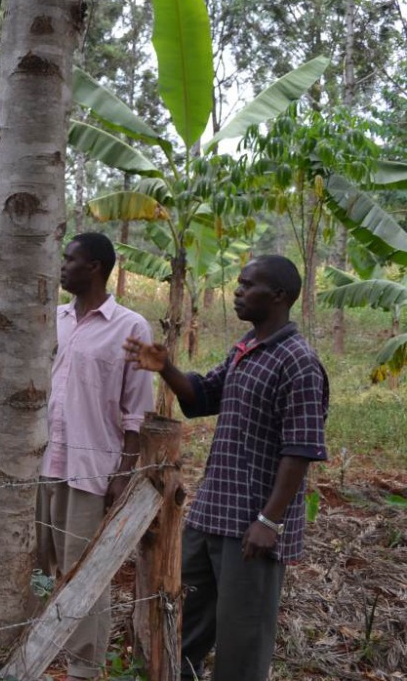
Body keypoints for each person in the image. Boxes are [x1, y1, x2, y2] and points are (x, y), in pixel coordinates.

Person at [124, 255, 329, 681]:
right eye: (237, 283)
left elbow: (301, 450)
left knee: (242, 640)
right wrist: (165, 368)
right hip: (212, 515)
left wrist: (269, 521)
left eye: (246, 285)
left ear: (279, 296)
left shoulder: (299, 362)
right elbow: (201, 397)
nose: (236, 291)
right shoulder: (245, 348)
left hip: (252, 526)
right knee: (185, 623)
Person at [37, 232, 155, 680]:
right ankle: (39, 652)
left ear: (95, 268)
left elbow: (136, 411)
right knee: (42, 563)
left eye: (71, 260)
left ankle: (84, 669)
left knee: (84, 573)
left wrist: (123, 474)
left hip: (92, 470)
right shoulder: (55, 319)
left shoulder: (130, 328)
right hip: (45, 463)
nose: (62, 266)